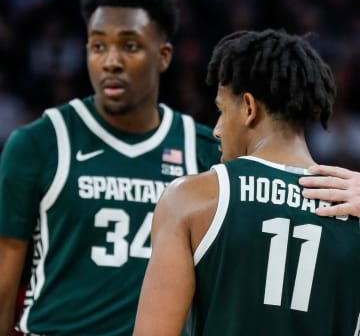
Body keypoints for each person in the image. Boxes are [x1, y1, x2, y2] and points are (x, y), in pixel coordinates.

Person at [0, 0, 220, 335]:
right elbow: (4, 281)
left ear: (163, 56)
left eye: (130, 46)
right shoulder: (39, 143)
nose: (111, 62)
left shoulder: (206, 151)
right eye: (97, 46)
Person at [133, 29, 360, 336]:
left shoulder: (189, 198)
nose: (215, 130)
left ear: (249, 108)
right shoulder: (352, 211)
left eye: (221, 110)